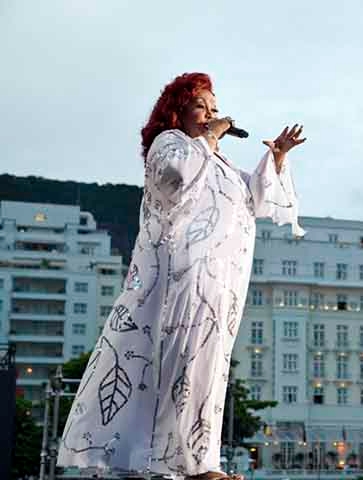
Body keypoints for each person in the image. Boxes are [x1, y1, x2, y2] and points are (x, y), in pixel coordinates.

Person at [57, 72, 306, 479]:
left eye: (214, 106)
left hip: (221, 279)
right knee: (184, 357)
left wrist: (277, 157)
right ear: (179, 110)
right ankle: (183, 462)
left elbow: (258, 200)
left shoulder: (221, 163)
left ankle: (200, 459)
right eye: (201, 105)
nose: (211, 113)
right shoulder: (172, 144)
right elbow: (173, 179)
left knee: (208, 363)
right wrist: (207, 140)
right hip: (184, 271)